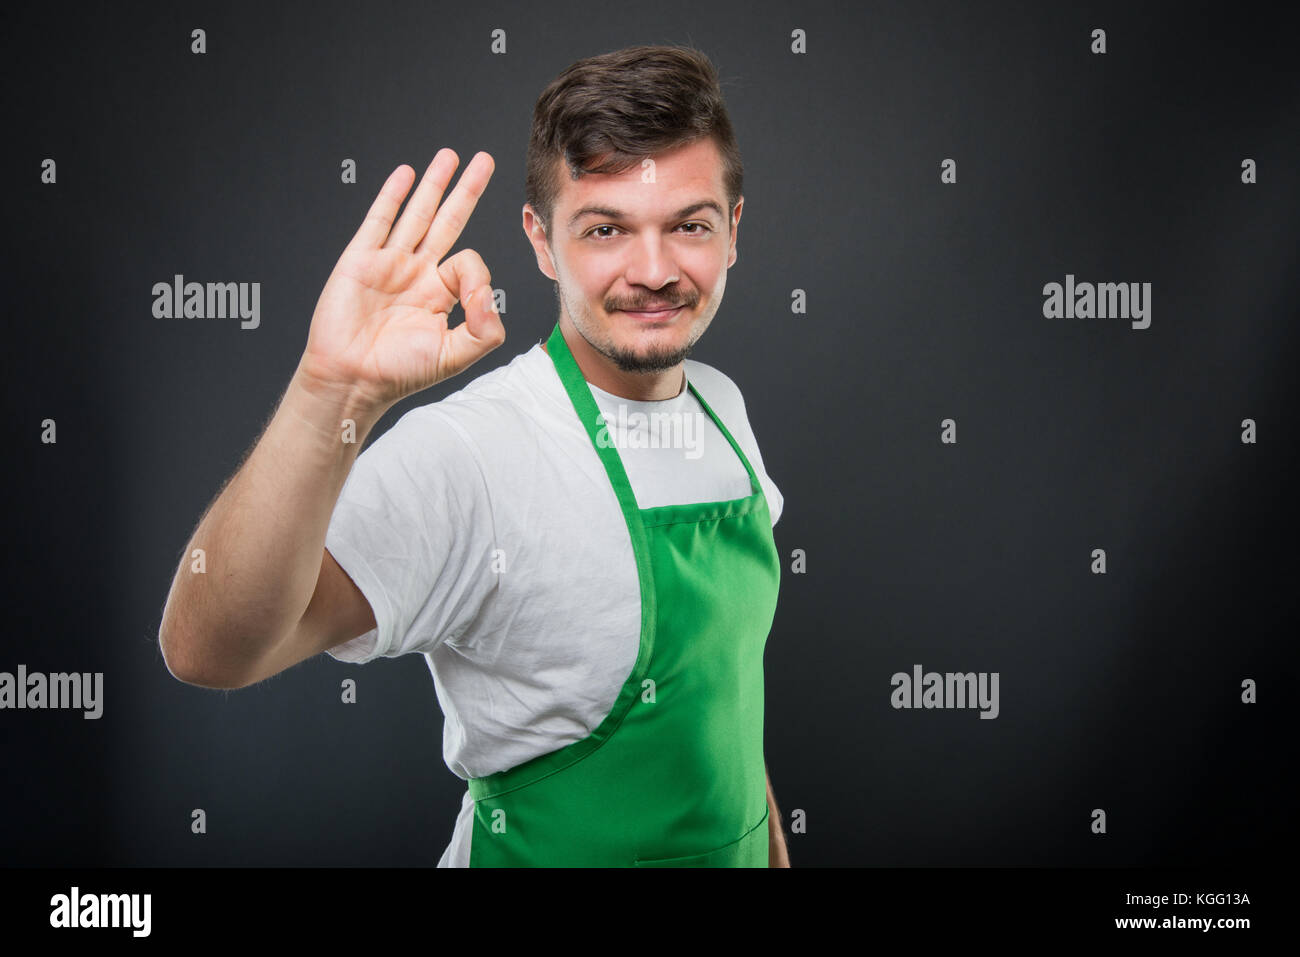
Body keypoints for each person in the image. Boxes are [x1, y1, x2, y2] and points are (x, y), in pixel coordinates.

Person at [159, 44, 790, 867]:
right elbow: (208, 648)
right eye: (605, 229)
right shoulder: (476, 451)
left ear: (733, 231)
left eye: (689, 226)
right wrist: (329, 393)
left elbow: (723, 704)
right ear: (540, 240)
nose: (655, 270)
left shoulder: (722, 406)